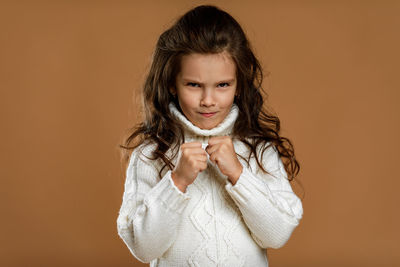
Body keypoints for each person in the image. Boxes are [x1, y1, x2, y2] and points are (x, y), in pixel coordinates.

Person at [117, 4, 304, 267]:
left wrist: (239, 175)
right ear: (172, 83)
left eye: (222, 85)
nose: (208, 100)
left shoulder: (258, 150)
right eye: (194, 85)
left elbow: (278, 234)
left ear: (239, 84)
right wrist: (177, 182)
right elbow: (143, 248)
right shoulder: (150, 155)